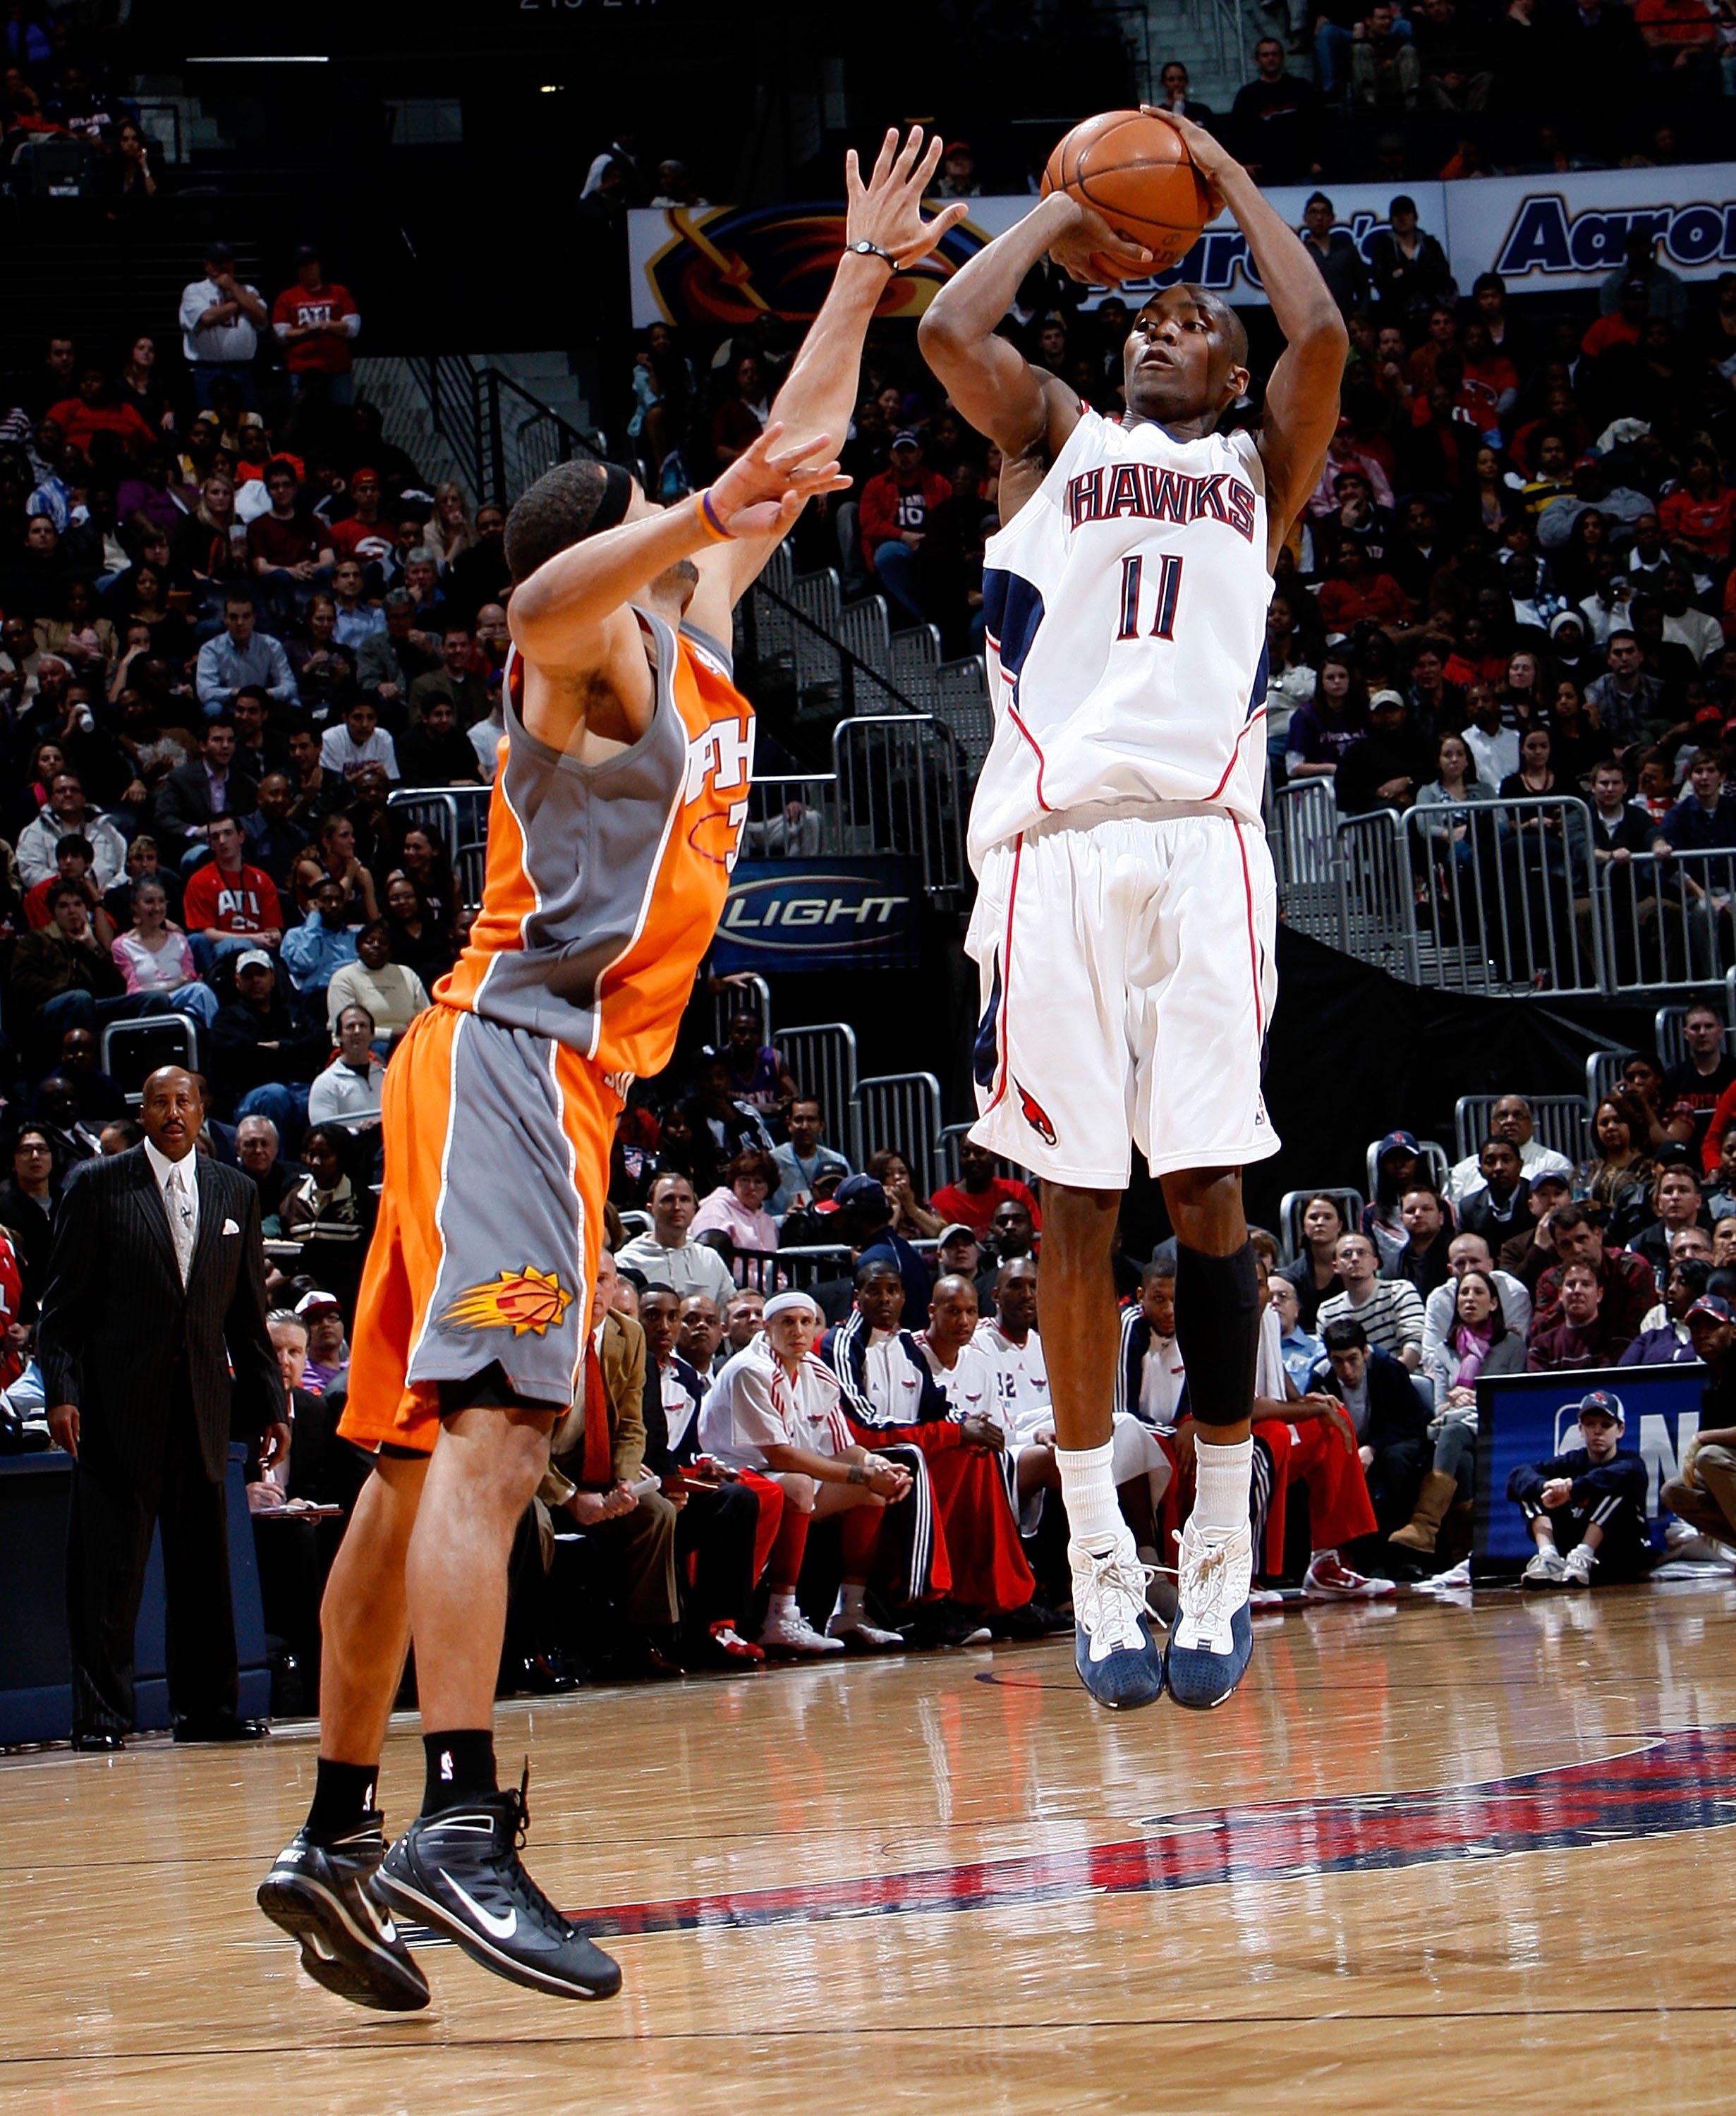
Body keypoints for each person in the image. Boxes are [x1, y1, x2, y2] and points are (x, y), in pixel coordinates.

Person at [255, 129, 965, 2008]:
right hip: (513, 1063)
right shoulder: (591, 657)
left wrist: (864, 278)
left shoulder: (693, 632)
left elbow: (788, 459)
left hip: (477, 1062)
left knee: (410, 1471)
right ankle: (462, 1825)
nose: (707, 533)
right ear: (617, 533)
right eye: (665, 519)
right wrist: (685, 508)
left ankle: (331, 1829)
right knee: (502, 1434)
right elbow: (545, 599)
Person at [920, 104, 1346, 1711]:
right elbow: (950, 326)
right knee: (1072, 1211)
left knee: (1212, 1196)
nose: (1160, 325)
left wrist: (1227, 182)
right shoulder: (1050, 443)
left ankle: (1219, 1541)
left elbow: (1320, 333)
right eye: (1148, 314)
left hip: (1201, 845)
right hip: (1046, 855)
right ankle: (1099, 1549)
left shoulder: (1257, 468)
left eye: (1190, 318)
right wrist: (1058, 205)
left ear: (1229, 376)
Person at [38, 1066, 286, 1750]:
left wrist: (271, 1404)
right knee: (108, 1580)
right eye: (159, 1102)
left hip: (205, 1412)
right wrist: (62, 1391)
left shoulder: (234, 1190)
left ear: (204, 1110)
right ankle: (102, 1717)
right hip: (118, 1412)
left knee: (204, 1573)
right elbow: (61, 1310)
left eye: (184, 1101)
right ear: (141, 1112)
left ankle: (208, 1711)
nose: (172, 1112)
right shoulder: (96, 1185)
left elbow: (248, 1321)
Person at [1402, 1267, 1521, 1555]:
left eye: (1478, 1292)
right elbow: (1439, 1407)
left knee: (1455, 1435)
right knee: (1463, 1458)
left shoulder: (1511, 1345)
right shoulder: (1445, 1350)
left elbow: (1514, 1401)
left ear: (1493, 1303)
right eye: (1464, 1293)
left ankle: (1425, 1525)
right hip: (1456, 1424)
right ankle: (1465, 1553)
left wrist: (1476, 1398)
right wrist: (1456, 1402)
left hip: (1495, 1425)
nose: (1470, 1299)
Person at [1509, 1387, 1650, 1586]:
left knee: (1616, 1486)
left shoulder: (1632, 1463)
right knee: (1530, 1489)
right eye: (1590, 1424)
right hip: (1571, 1555)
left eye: (1606, 1425)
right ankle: (1549, 1557)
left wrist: (1571, 1489)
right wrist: (1546, 1486)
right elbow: (1517, 1475)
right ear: (1581, 1429)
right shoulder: (1573, 1461)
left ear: (1620, 1430)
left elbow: (1616, 1476)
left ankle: (1585, 1553)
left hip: (1621, 1553)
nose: (1598, 1431)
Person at [1661, 1296, 1736, 1556]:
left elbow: (1711, 1446)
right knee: (1675, 1491)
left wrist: (1702, 1437)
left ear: (1733, 1330)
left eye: (1712, 1325)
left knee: (1710, 1457)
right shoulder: (1711, 1385)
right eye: (1695, 1328)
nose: (1702, 1334)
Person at [618, 1171, 740, 1310]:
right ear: (650, 1209)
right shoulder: (627, 1261)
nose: (677, 1207)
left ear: (694, 1209)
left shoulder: (710, 1259)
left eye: (684, 1200)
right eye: (668, 1199)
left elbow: (730, 1310)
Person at [1317, 1232, 1426, 1367]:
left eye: (1362, 1253)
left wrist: (1392, 1379)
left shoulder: (1400, 1291)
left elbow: (1415, 1345)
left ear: (1375, 1263)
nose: (1355, 1259)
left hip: (1404, 1379)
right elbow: (1327, 1362)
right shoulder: (1327, 1311)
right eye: (1347, 1254)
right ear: (1335, 1267)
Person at [326, 920, 430, 1042]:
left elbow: (426, 1015)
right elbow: (345, 1027)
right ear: (358, 949)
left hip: (409, 1040)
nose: (376, 945)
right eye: (369, 942)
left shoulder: (407, 974)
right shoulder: (343, 978)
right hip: (365, 1043)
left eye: (383, 943)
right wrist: (391, 1034)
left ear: (390, 950)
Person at [930, 1136, 1043, 1242]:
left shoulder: (1016, 1191)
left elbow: (1038, 1236)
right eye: (965, 1153)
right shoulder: (942, 1201)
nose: (972, 1158)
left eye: (979, 1152)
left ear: (994, 1157)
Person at [767, 1095, 851, 1217]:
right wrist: (782, 1219)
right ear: (789, 1125)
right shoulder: (772, 1161)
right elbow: (758, 1211)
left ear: (821, 1126)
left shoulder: (837, 1161)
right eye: (799, 1120)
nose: (805, 1126)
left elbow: (852, 1202)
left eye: (811, 1120)